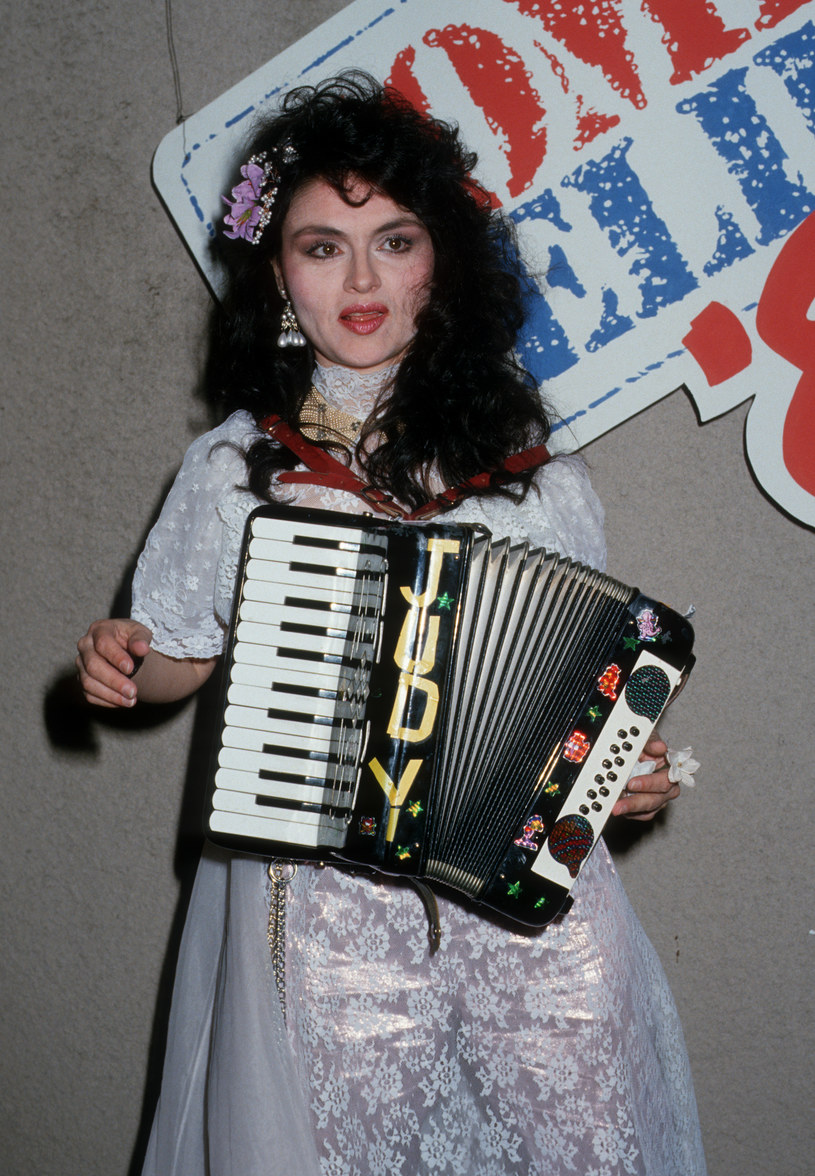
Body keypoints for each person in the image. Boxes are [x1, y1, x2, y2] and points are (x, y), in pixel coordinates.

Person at [77, 74, 706, 1176]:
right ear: (276, 274)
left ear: (440, 263)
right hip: (325, 924)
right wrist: (131, 664)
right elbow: (178, 652)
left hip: (535, 930)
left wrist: (618, 773)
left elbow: (573, 689)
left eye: (394, 240)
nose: (361, 278)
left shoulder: (534, 471)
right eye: (322, 246)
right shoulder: (234, 468)